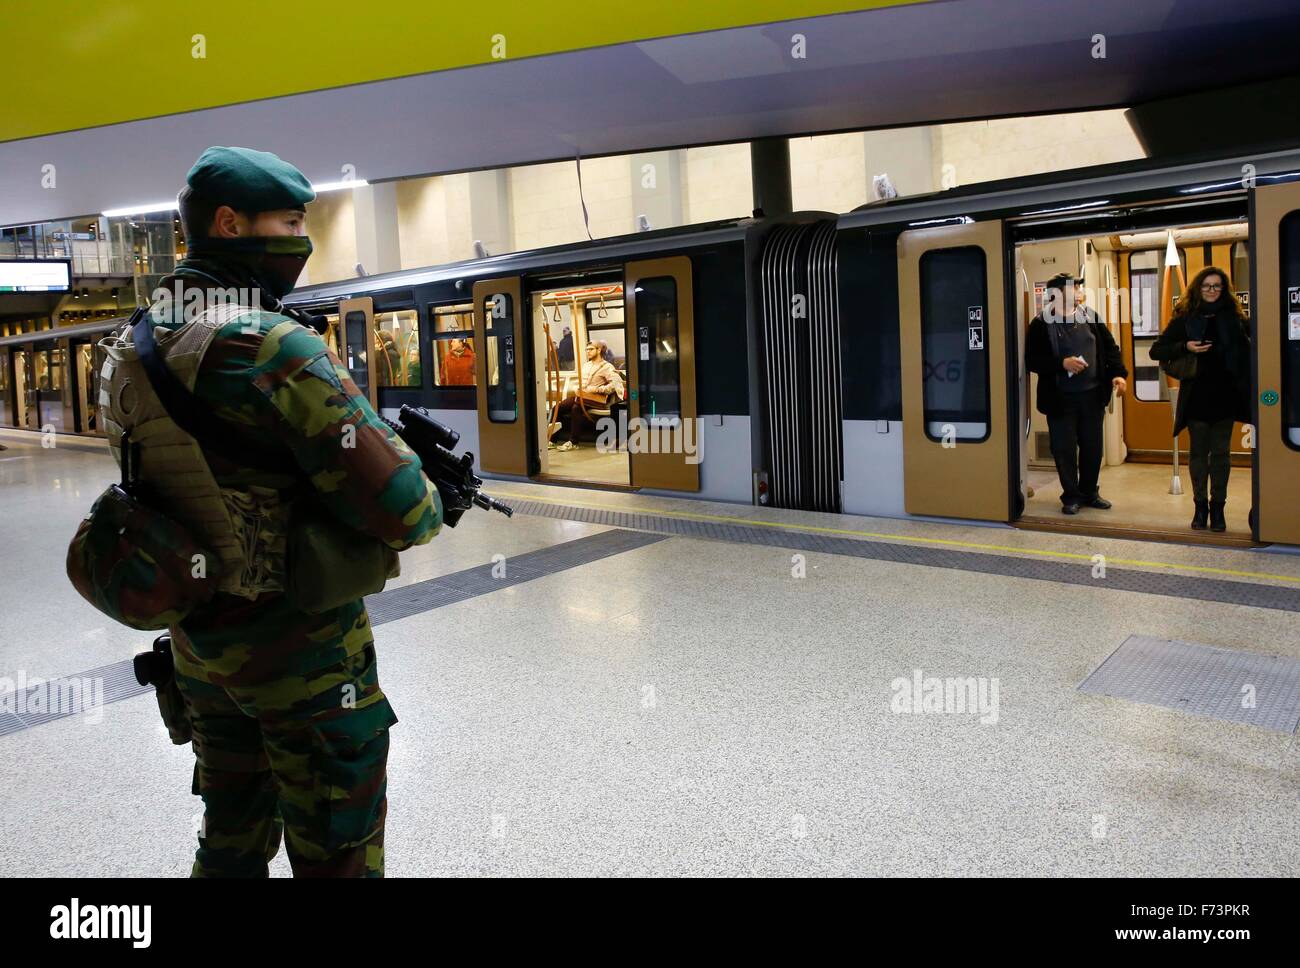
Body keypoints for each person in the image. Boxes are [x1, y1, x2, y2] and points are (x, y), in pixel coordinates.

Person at [145, 147, 443, 876]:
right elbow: (408, 513)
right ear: (229, 222)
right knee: (336, 854)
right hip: (302, 658)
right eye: (288, 221)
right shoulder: (268, 342)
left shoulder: (141, 337)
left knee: (230, 842)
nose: (300, 241)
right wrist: (428, 489)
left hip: (200, 645)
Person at [1150, 267, 1251, 532]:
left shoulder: (1235, 318)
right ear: (1198, 288)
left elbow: (1250, 351)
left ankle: (1218, 509)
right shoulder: (1185, 319)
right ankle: (1200, 508)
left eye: (1217, 286)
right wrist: (1186, 346)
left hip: (1226, 396)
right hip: (1196, 397)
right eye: (1207, 286)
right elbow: (1156, 350)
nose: (1211, 291)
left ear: (1224, 290)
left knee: (1221, 455)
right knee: (1198, 454)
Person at [1026, 273, 1128, 514]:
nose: (1080, 291)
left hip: (1092, 396)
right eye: (1075, 288)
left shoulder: (1090, 317)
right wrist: (1062, 363)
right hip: (1060, 399)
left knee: (1092, 448)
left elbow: (1110, 349)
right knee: (1064, 450)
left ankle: (1090, 492)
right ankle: (1071, 496)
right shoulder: (1041, 323)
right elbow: (1032, 360)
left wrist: (1118, 374)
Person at [549, 340, 624, 451]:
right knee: (558, 408)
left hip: (595, 399)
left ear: (599, 350)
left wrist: (597, 389)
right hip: (582, 396)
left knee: (576, 408)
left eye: (591, 349)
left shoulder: (607, 367)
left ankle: (573, 442)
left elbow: (616, 384)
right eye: (587, 349)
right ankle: (552, 440)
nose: (588, 352)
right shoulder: (586, 366)